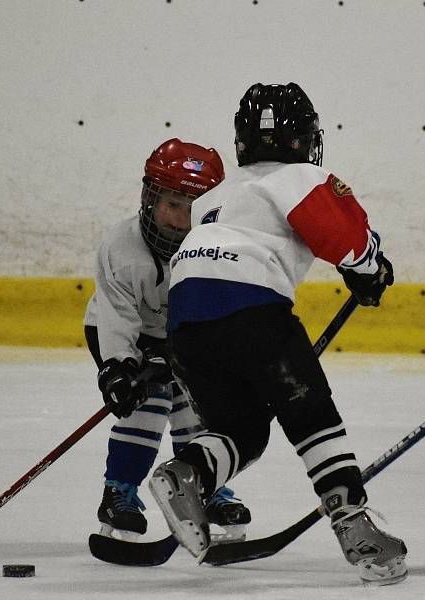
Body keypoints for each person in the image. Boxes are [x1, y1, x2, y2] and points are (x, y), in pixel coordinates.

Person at [147, 82, 407, 586]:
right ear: (304, 139)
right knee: (311, 415)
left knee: (244, 430)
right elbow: (344, 237)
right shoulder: (302, 176)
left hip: (185, 320)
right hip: (251, 311)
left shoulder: (216, 195)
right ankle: (353, 523)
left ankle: (187, 474)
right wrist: (371, 267)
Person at [83, 138, 251, 543]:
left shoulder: (217, 248)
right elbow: (116, 317)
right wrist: (120, 368)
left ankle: (203, 487)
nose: (179, 220)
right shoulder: (121, 248)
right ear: (148, 196)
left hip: (182, 336)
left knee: (198, 406)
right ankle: (118, 492)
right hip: (122, 334)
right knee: (147, 400)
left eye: (191, 209)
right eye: (171, 204)